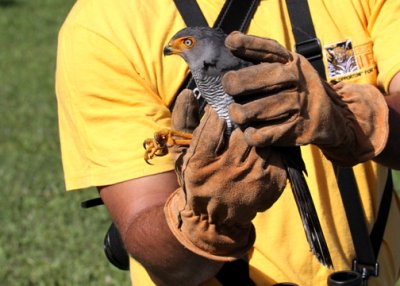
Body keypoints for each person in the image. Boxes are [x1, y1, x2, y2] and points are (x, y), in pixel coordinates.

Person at [55, 0, 400, 285]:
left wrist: (359, 120)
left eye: (186, 43)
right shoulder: (102, 27)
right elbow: (149, 237)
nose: (175, 49)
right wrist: (203, 219)